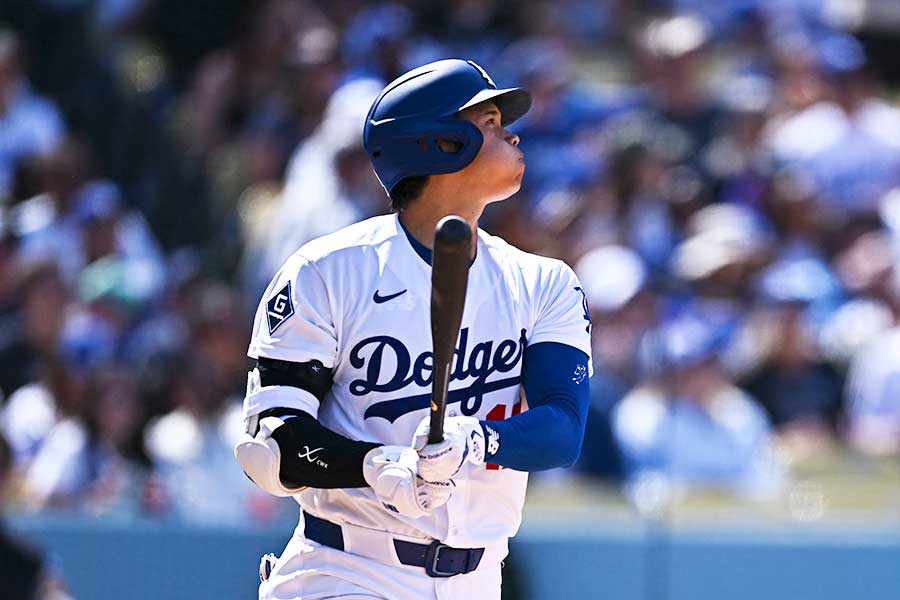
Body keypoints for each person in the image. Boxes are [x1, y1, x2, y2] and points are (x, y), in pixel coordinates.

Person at [234, 59, 593, 600]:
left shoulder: (543, 283)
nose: (513, 134)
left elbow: (562, 430)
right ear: (440, 143)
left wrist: (477, 440)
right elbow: (272, 447)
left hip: (478, 579)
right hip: (346, 569)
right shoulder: (329, 271)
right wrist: (374, 465)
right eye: (490, 123)